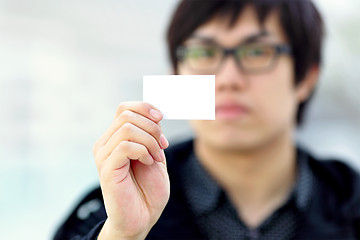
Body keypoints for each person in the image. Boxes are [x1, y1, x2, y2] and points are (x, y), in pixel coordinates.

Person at [54, 0, 360, 239]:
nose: (228, 79)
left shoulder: (351, 202)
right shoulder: (112, 208)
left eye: (256, 52)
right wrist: (123, 235)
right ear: (177, 73)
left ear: (307, 77)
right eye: (204, 53)